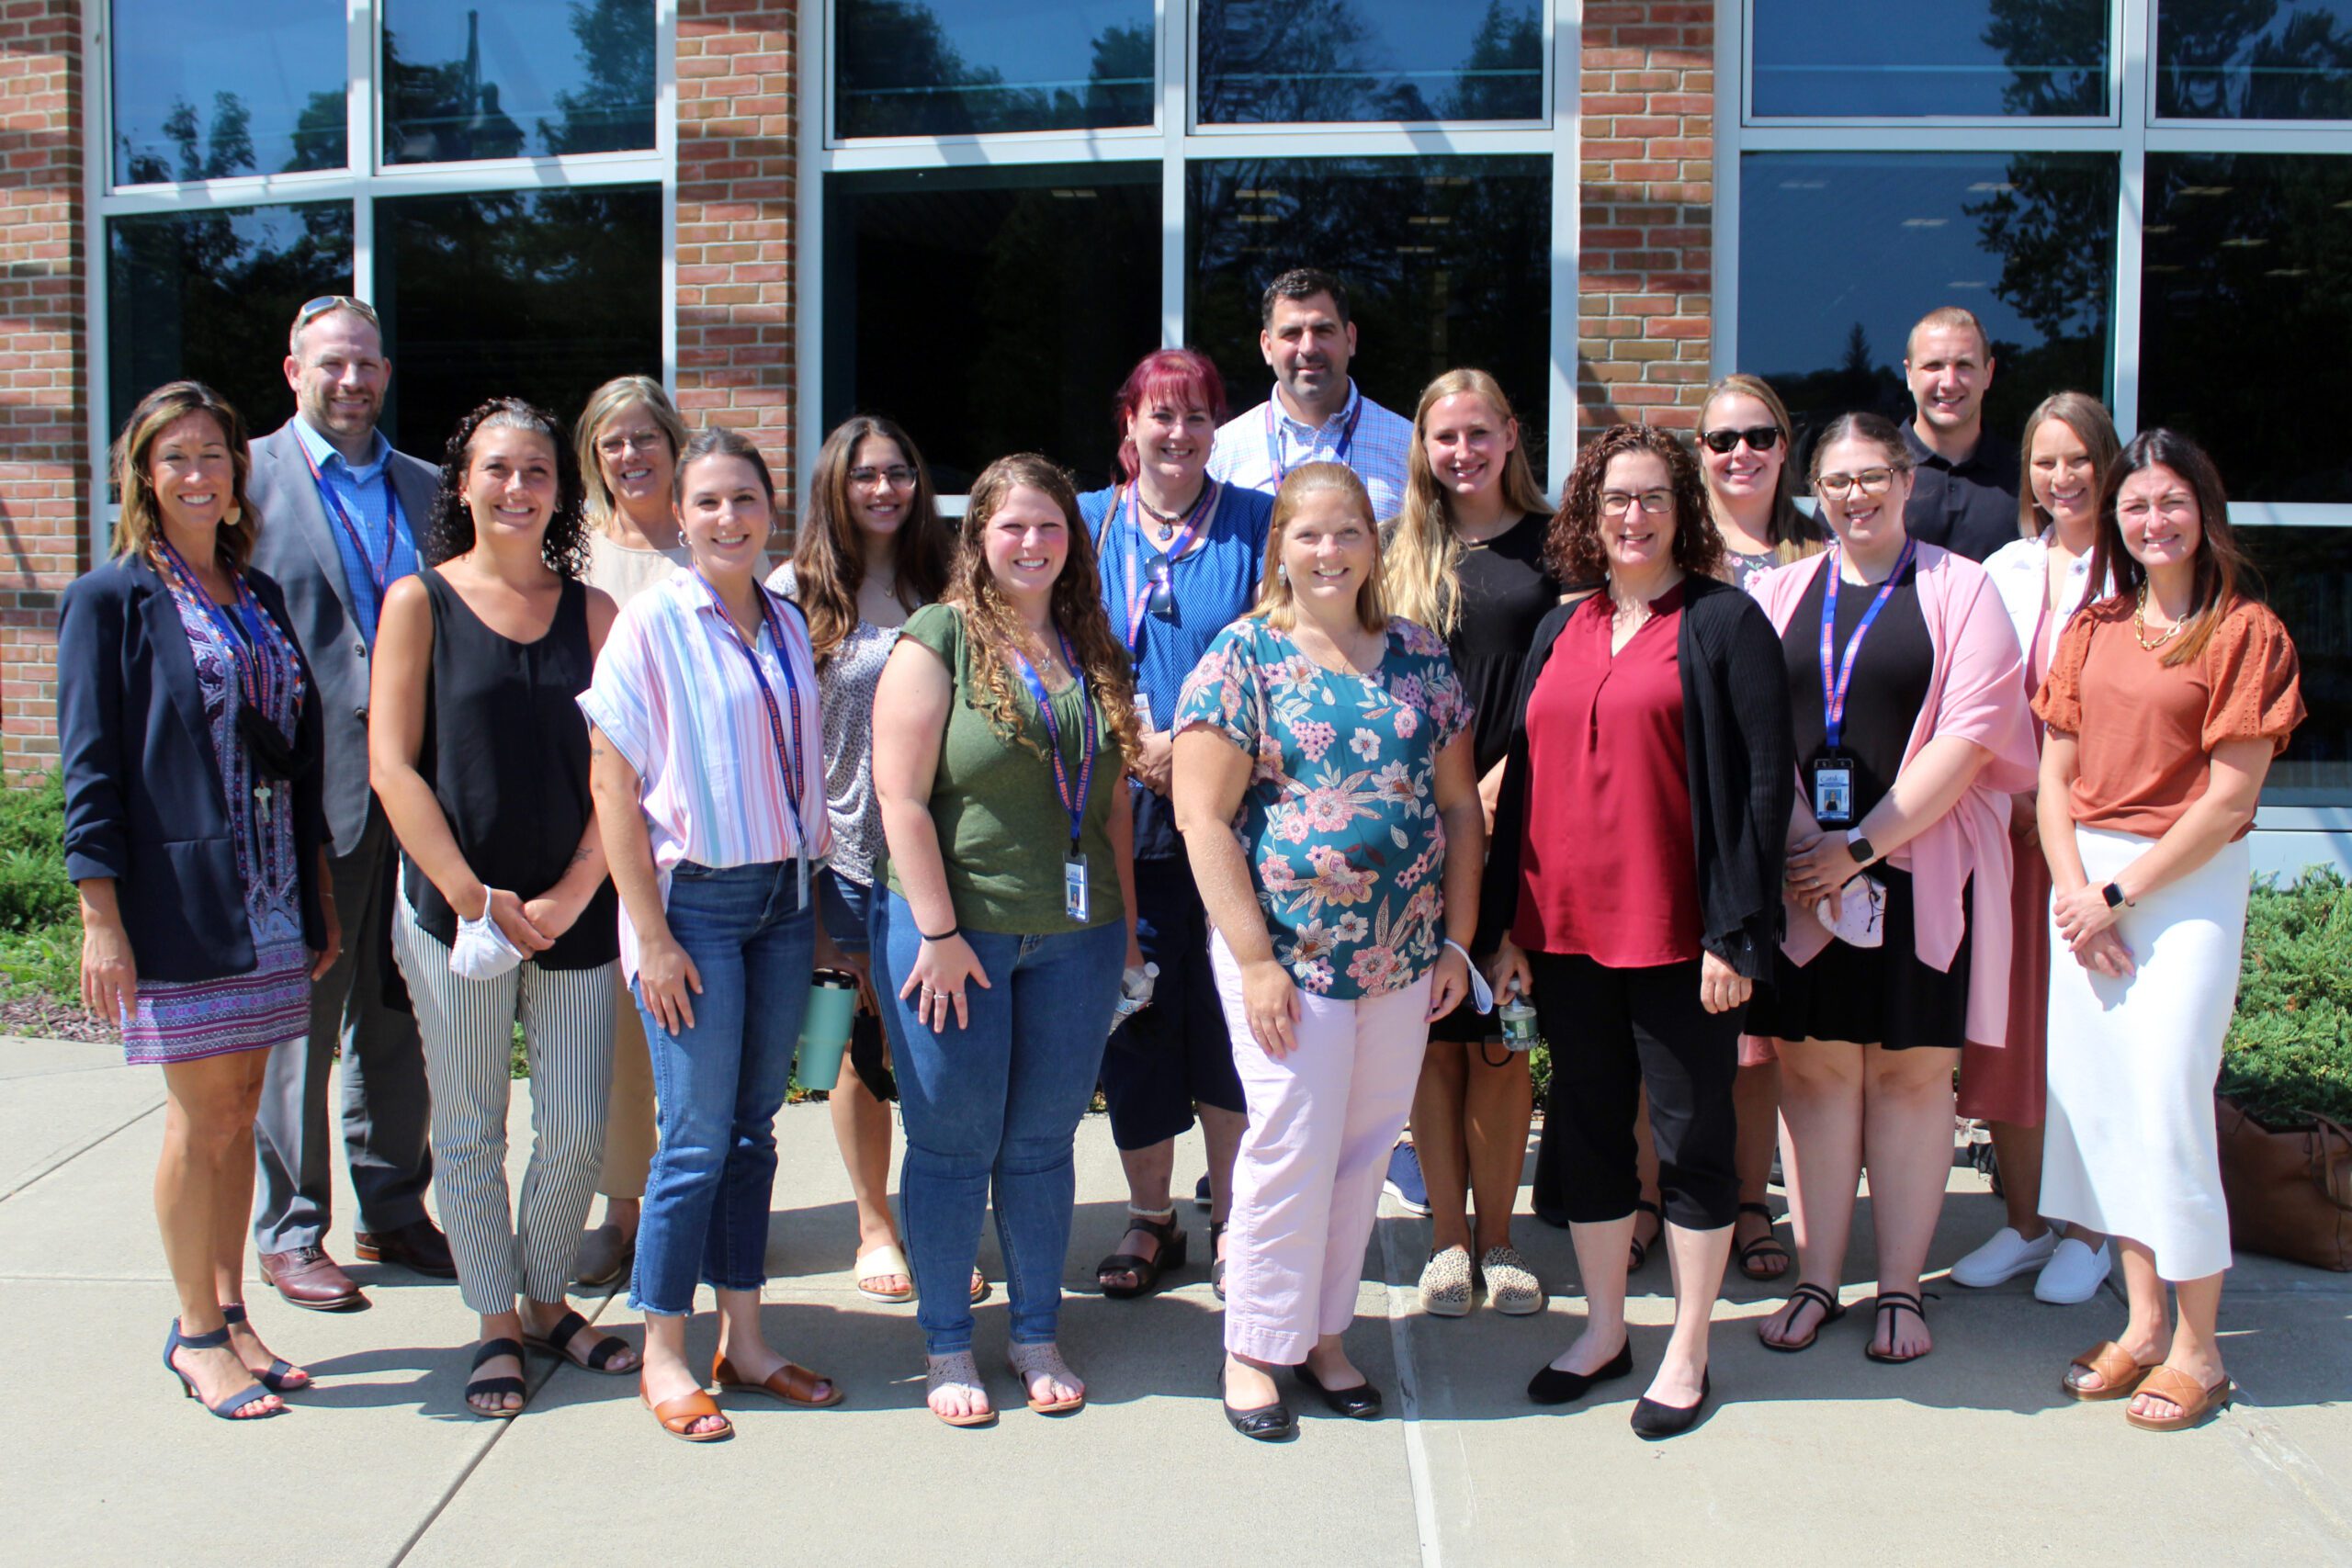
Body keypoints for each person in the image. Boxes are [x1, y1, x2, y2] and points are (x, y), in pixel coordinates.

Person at [1481, 424, 1792, 1438]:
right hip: (1562, 934)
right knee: (1585, 1136)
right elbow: (1521, 778)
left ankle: (1688, 1348)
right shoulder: (1559, 628)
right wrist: (1506, 929)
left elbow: (1757, 788)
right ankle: (1604, 1331)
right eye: (1615, 498)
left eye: (1654, 497)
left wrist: (1736, 933)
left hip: (1679, 938)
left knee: (1692, 1140)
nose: (1633, 515)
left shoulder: (1724, 623)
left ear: (1682, 508)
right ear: (1587, 511)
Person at [1174, 462, 1483, 1442]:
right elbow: (1202, 817)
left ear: (1373, 543)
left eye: (1347, 531)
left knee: (1358, 1151)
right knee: (1287, 1147)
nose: (1328, 550)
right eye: (1307, 534)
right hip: (1288, 963)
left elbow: (1458, 810)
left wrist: (1458, 944)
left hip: (1400, 960)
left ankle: (1322, 1333)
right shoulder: (1243, 659)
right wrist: (1255, 960)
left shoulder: (1418, 656)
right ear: (1280, 550)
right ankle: (1252, 1346)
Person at [61, 381, 334, 1419]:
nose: (197, 472)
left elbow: (299, 754)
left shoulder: (256, 594)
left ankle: (231, 1308)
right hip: (179, 896)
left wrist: (314, 891)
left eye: (213, 452)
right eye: (174, 456)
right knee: (201, 1115)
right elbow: (90, 769)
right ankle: (194, 1332)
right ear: (142, 475)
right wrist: (99, 915)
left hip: (268, 897)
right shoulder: (111, 599)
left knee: (243, 1111)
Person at [1746, 412, 2036, 1364]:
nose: (1855, 495)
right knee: (1816, 1076)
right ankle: (1817, 1278)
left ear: (1905, 482)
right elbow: (1751, 733)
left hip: (1918, 877)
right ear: (1814, 493)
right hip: (1802, 880)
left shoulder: (1963, 590)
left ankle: (1902, 1291)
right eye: (1836, 481)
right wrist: (1807, 847)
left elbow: (1971, 735)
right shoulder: (1783, 591)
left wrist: (1858, 848)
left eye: (1873, 476)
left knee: (1913, 1082)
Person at [2035, 430, 2303, 1432]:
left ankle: (2202, 1350)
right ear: (2116, 519)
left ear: (2205, 512)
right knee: (2101, 1104)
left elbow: (2227, 802)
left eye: (2171, 503)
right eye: (2136, 505)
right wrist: (2076, 892)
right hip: (2085, 887)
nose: (2153, 521)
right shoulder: (2093, 627)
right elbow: (2054, 781)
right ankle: (2143, 1326)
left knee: (2166, 1101)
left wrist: (2116, 897)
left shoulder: (2246, 634)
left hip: (2180, 888)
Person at [582, 426, 846, 1442]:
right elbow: (612, 783)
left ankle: (750, 1339)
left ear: (769, 510)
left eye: (744, 500)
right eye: (707, 503)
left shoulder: (783, 621)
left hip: (781, 903)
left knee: (751, 1132)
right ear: (679, 519)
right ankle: (662, 1354)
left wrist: (815, 910)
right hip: (690, 907)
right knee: (690, 1140)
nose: (727, 518)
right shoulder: (650, 625)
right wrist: (648, 934)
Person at [870, 453, 1143, 1427]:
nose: (1032, 544)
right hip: (957, 935)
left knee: (1038, 1146)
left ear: (1072, 541)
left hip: (1075, 935)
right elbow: (898, 799)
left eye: (1051, 527)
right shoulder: (936, 636)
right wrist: (938, 934)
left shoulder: (1087, 644)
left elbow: (1109, 802)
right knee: (951, 1145)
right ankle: (948, 1344)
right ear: (977, 538)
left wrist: (1128, 935)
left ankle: (1034, 1333)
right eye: (1012, 527)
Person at [371, 400, 630, 1418]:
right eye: (497, 470)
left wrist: (572, 891)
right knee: (473, 1126)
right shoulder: (417, 604)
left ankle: (546, 1295)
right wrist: (472, 895)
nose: (517, 489)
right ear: (463, 483)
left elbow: (622, 773)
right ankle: (495, 1322)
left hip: (575, 915)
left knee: (571, 1128)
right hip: (455, 919)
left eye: (537, 472)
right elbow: (393, 767)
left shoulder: (596, 614)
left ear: (560, 491)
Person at [247, 296, 452, 1309]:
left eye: (366, 363)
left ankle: (396, 1207)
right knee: (302, 1017)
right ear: (294, 372)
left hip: (419, 795)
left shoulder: (429, 489)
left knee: (399, 1010)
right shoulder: (241, 481)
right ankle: (290, 1228)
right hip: (302, 798)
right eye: (331, 364)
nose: (352, 381)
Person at [1078, 349, 1274, 1303]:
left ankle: (1234, 1212)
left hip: (1233, 819)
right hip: (1116, 819)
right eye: (1160, 416)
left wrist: (1191, 748)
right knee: (1139, 1016)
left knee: (1228, 1016)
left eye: (1196, 417)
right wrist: (1135, 737)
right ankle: (1150, 1217)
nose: (1178, 434)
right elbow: (1060, 648)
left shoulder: (1257, 525)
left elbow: (1279, 650)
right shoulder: (1085, 523)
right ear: (1128, 428)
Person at [769, 415, 966, 1307]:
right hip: (837, 861)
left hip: (939, 856)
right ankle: (873, 1223)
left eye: (898, 473)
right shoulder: (792, 593)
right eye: (864, 476)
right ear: (833, 489)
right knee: (845, 1045)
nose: (884, 490)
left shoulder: (952, 581)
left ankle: (939, 1221)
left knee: (931, 1046)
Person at [1383, 367, 1558, 1318]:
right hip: (1417, 831)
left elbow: (1570, 676)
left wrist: (1496, 781)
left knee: (1500, 1034)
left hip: (1523, 819)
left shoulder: (1555, 547)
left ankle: (1501, 1237)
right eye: (1443, 436)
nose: (1461, 452)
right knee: (1432, 1038)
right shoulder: (1402, 547)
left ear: (1510, 435)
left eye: (1477, 433)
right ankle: (1445, 1240)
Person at [1951, 392, 2120, 1304]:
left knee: (2083, 1038)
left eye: (2078, 460)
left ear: (2107, 463)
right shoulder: (2006, 565)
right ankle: (2023, 1222)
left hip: (2092, 843)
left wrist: (2055, 806)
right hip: (2003, 842)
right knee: (2009, 1040)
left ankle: (2088, 1234)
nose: (2062, 478)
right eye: (2046, 461)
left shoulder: (2132, 574)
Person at [568, 376, 693, 1292]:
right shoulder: (569, 547)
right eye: (612, 441)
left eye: (646, 436)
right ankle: (622, 1206)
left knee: (700, 1015)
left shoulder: (709, 537)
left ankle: (705, 1196)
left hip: (696, 817)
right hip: (596, 808)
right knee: (615, 1025)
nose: (630, 455)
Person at [1695, 371, 1821, 1284]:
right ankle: (1653, 1196)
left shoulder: (1821, 552)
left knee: (1757, 1037)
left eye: (1758, 437)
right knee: (1656, 1024)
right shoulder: (1670, 548)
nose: (1739, 453)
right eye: (1720, 439)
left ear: (1785, 447)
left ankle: (1747, 1202)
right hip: (1685, 817)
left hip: (1792, 819)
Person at [1207, 268, 1415, 524]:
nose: (1308, 347)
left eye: (1323, 330)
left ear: (1350, 339)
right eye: (1291, 334)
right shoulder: (1220, 453)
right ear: (1268, 347)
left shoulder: (1408, 447)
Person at [1899, 306, 2019, 563]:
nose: (1949, 382)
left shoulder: (2025, 475)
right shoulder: (1872, 470)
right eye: (1933, 366)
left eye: (1964, 365)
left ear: (1988, 372)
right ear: (1909, 374)